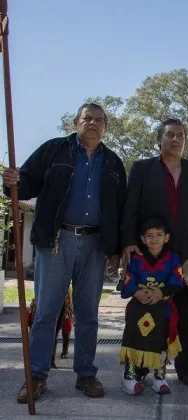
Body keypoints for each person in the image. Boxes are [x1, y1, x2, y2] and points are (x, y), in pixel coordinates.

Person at [2, 103, 126, 402]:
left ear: (106, 127)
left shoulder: (112, 162)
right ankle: (36, 376)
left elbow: (120, 208)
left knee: (88, 315)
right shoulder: (54, 150)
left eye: (99, 120)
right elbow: (26, 184)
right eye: (88, 118)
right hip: (56, 241)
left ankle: (86, 373)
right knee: (46, 313)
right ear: (76, 122)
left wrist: (117, 248)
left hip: (95, 245)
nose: (93, 124)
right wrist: (12, 182)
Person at [120, 117, 188, 387]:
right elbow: (130, 209)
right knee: (146, 311)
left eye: (180, 135)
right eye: (170, 134)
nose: (175, 139)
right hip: (150, 254)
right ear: (160, 138)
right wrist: (128, 242)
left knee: (185, 317)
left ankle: (186, 368)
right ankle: (140, 368)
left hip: (185, 255)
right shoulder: (142, 169)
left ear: (185, 140)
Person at [119, 218, 184, 395]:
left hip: (162, 305)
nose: (154, 239)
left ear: (167, 238)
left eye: (159, 235)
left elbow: (177, 281)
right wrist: (136, 293)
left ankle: (160, 376)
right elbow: (128, 279)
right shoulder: (136, 258)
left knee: (163, 336)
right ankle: (129, 375)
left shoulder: (173, 258)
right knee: (133, 335)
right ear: (142, 239)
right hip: (138, 305)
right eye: (149, 236)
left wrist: (160, 293)